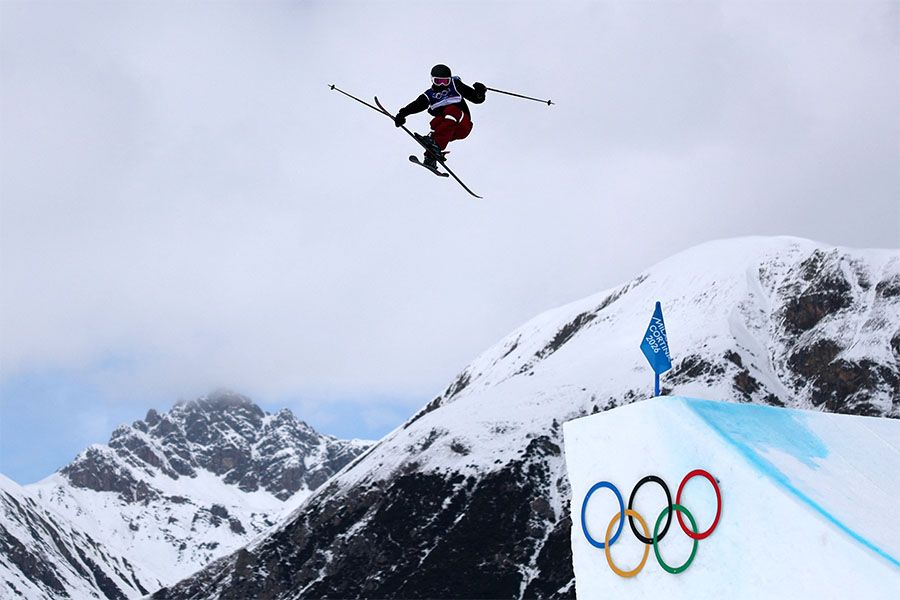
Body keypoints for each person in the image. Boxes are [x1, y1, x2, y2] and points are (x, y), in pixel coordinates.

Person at [394, 64, 487, 169]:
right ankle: (431, 157)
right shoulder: (430, 95)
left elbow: (476, 99)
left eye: (445, 81)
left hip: (463, 125)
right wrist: (403, 114)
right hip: (449, 133)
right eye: (438, 81)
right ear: (432, 80)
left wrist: (480, 93)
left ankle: (436, 144)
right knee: (435, 122)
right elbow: (417, 105)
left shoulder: (455, 85)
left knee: (451, 110)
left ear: (449, 80)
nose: (442, 85)